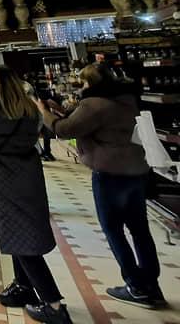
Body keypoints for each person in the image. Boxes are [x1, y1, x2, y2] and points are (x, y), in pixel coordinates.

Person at [38, 63, 164, 309]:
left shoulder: (94, 104)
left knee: (113, 230)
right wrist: (62, 111)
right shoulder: (126, 100)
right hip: (136, 171)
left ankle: (135, 286)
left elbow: (64, 130)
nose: (81, 86)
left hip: (110, 174)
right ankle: (151, 284)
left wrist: (44, 111)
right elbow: (92, 123)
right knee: (140, 230)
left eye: (84, 82)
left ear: (92, 83)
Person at [0, 64, 71, 324]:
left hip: (4, 176)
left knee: (22, 240)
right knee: (19, 233)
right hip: (28, 173)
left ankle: (54, 305)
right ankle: (23, 287)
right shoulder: (28, 108)